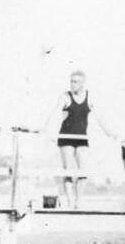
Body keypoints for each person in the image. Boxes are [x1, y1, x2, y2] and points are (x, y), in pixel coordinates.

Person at [44, 70, 117, 208]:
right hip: (66, 136)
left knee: (83, 170)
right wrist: (46, 130)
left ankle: (79, 201)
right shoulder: (65, 96)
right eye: (71, 81)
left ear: (83, 83)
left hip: (81, 137)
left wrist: (110, 132)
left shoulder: (89, 97)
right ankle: (70, 202)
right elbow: (54, 113)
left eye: (76, 82)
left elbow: (100, 117)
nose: (72, 84)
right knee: (68, 170)